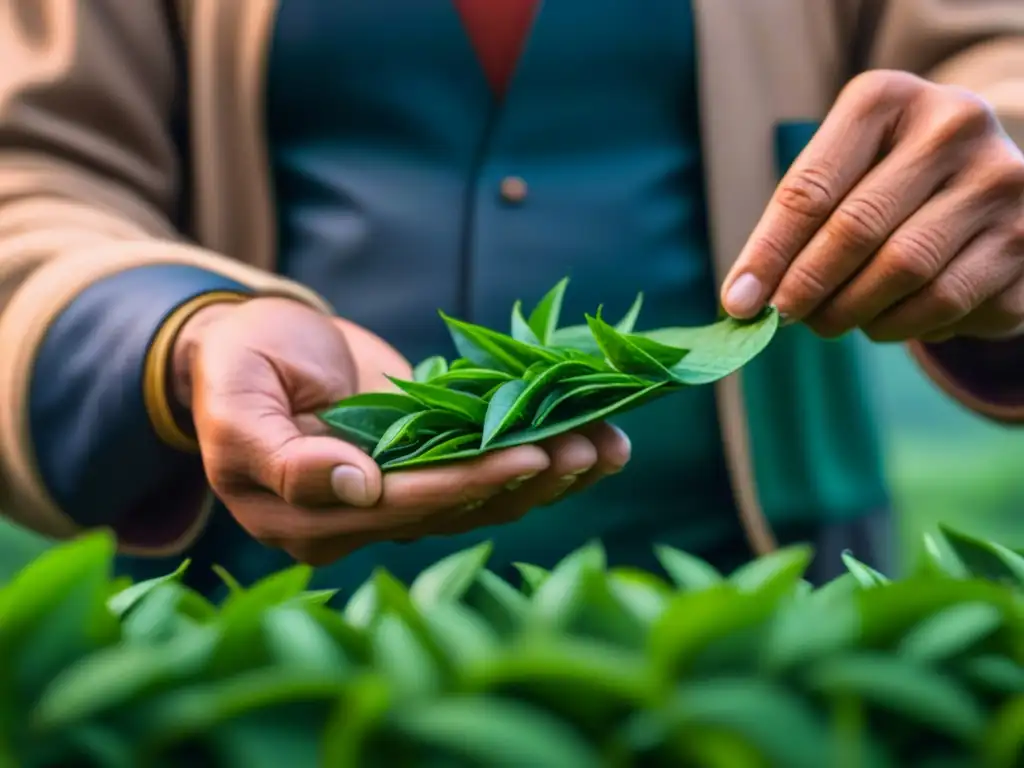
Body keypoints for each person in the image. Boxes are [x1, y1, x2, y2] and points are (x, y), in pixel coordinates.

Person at [1, 0, 1022, 596]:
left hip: (749, 600)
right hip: (258, 618)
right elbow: (32, 165)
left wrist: (991, 169)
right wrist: (181, 333)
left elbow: (991, 55)